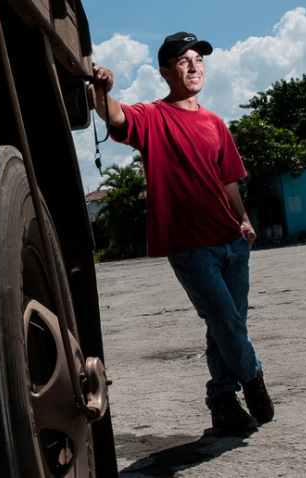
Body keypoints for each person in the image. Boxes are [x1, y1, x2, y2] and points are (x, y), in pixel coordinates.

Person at [91, 32, 274, 432]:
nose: (194, 67)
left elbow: (228, 180)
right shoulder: (154, 117)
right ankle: (253, 376)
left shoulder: (215, 123)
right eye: (183, 61)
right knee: (226, 321)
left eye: (199, 60)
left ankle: (223, 400)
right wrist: (100, 92)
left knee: (227, 324)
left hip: (232, 241)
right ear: (165, 71)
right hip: (191, 248)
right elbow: (118, 117)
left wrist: (244, 220)